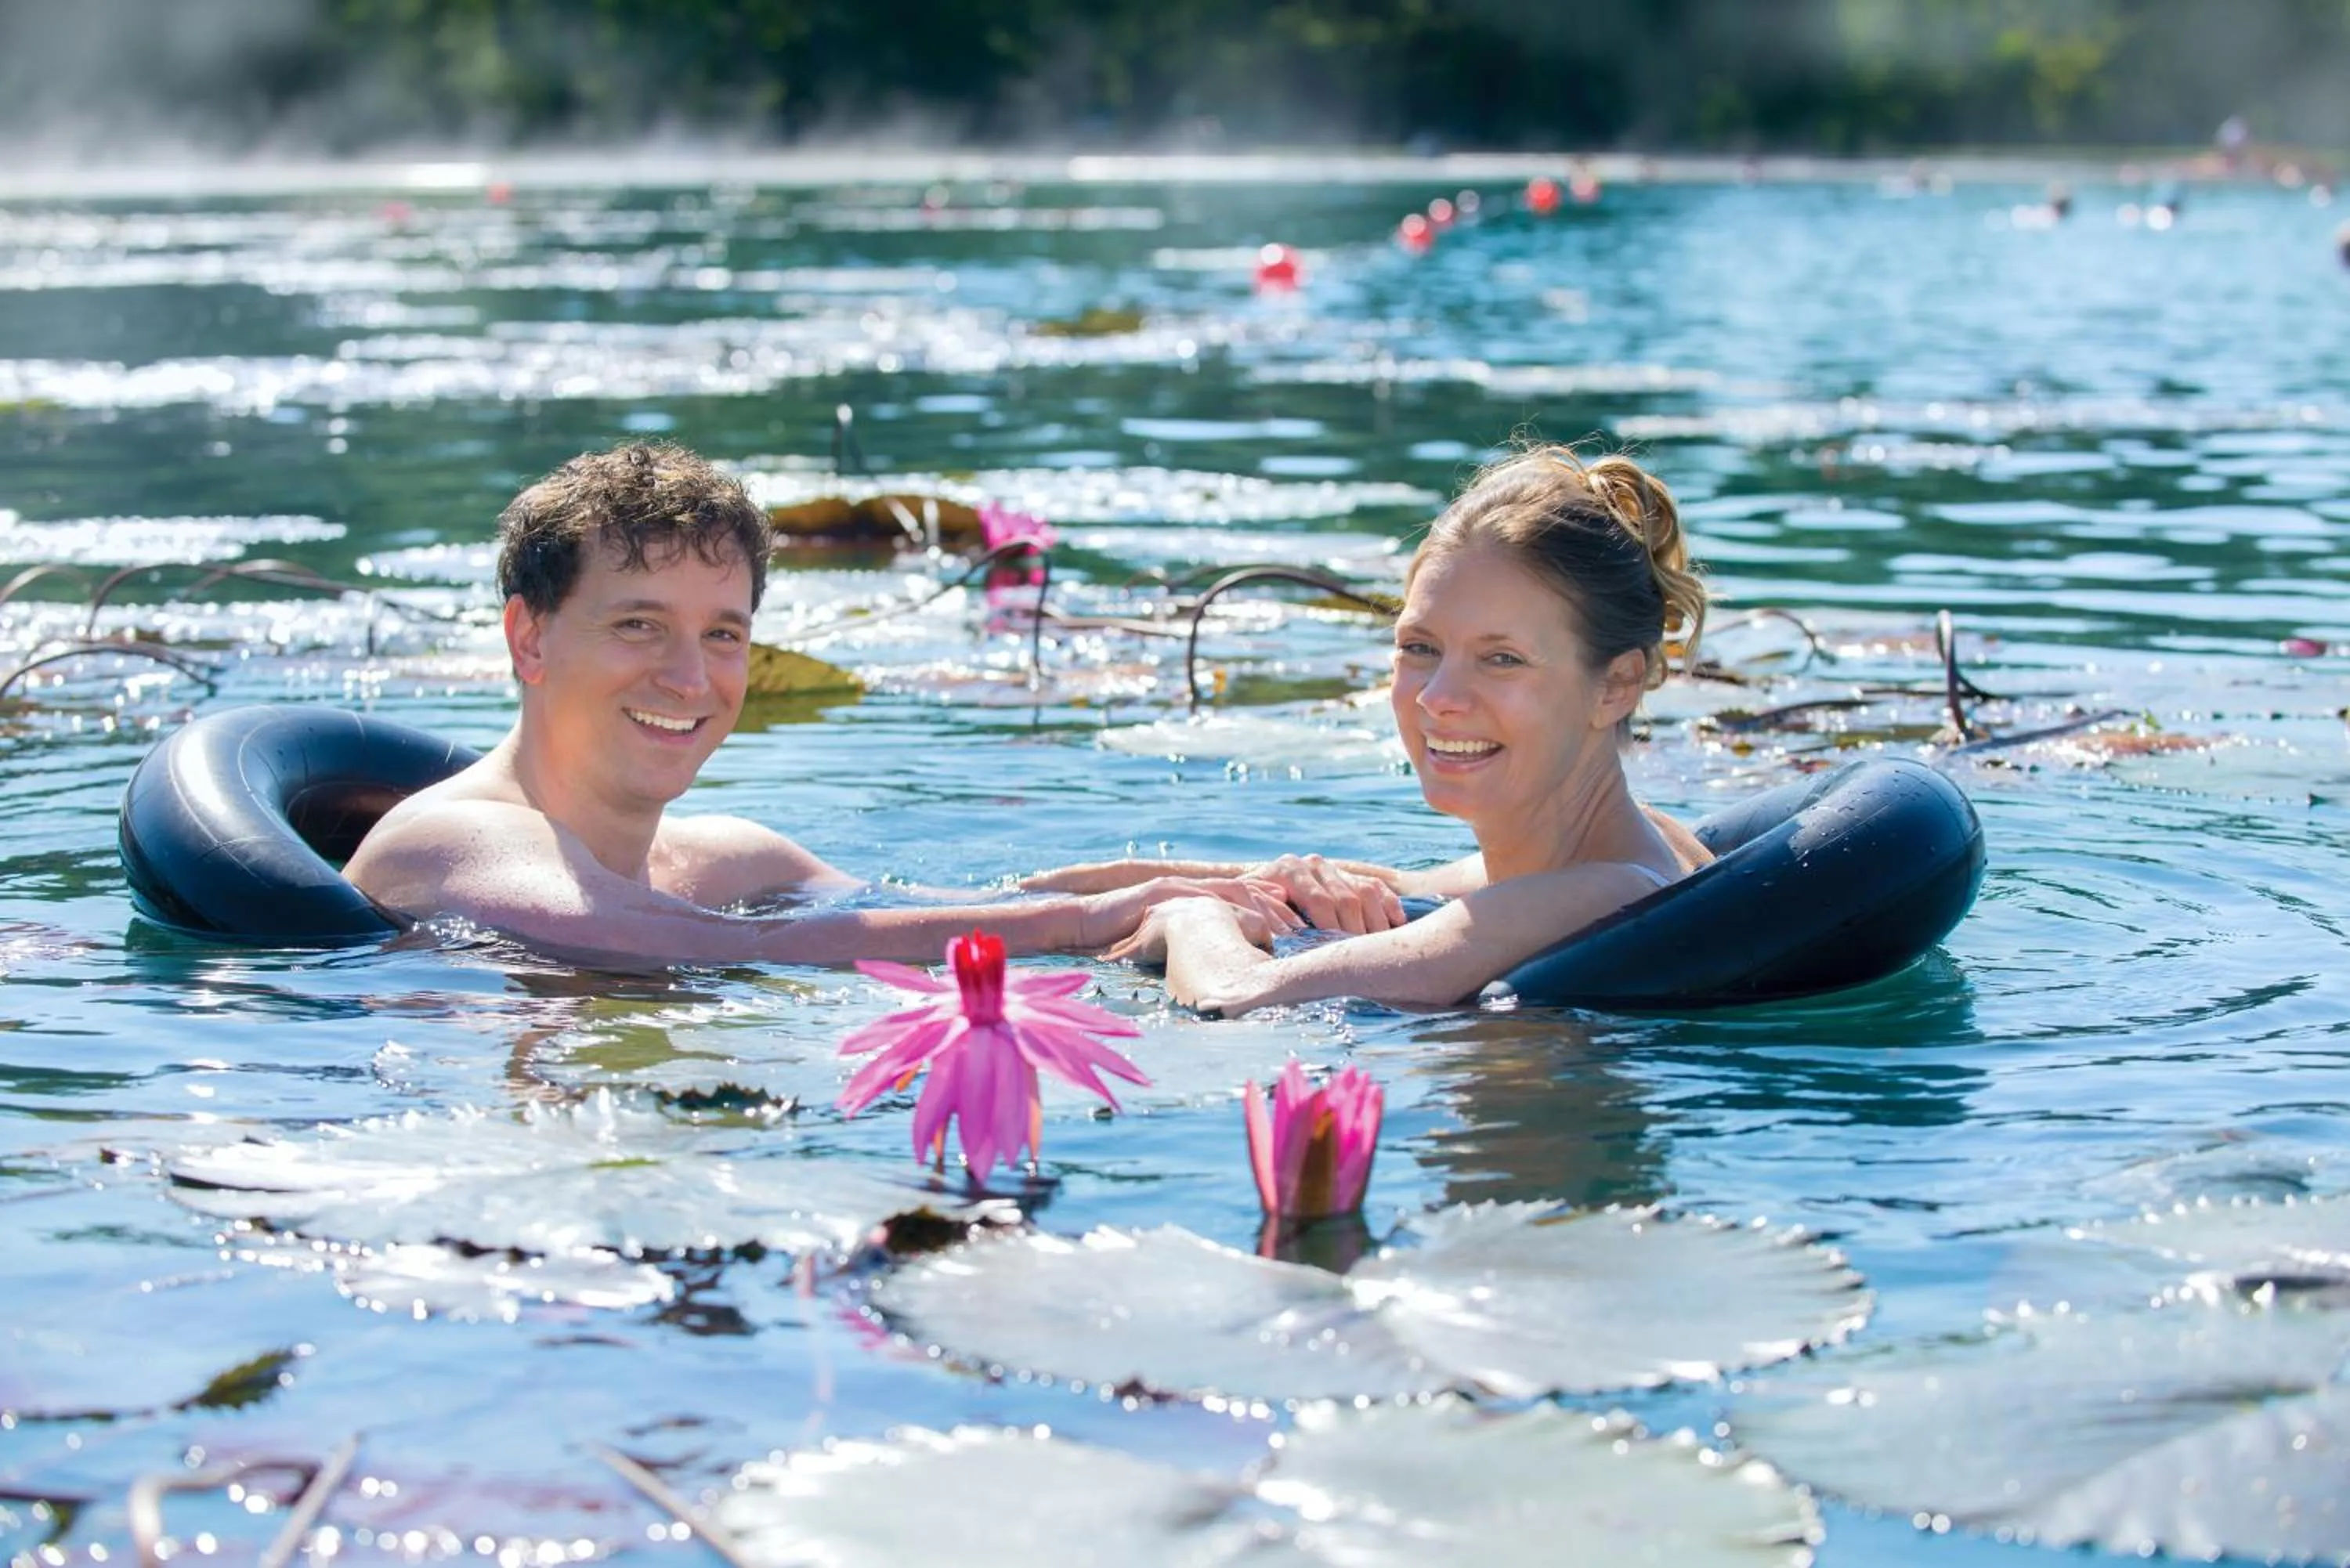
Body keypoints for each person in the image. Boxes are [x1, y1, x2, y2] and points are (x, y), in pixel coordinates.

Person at [344, 442, 1296, 966]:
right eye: (639, 625)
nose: (690, 678)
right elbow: (693, 944)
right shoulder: (455, 841)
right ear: (528, 637)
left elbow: (952, 909)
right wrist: (1085, 925)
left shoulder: (725, 858)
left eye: (723, 634)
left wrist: (1244, 881)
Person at [1092, 445, 1712, 1012]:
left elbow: (1234, 996)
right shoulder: (1624, 842)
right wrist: (1065, 901)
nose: (1438, 697)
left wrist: (1189, 920)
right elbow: (1396, 883)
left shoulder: (1592, 895)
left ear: (1616, 686)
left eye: (1502, 659)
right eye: (1420, 647)